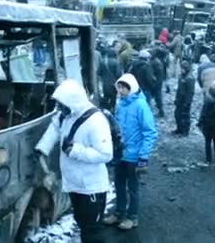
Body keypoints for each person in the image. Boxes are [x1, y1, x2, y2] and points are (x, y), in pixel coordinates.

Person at [35, 79, 113, 243]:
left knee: (92, 231)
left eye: (62, 104)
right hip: (74, 183)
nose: (59, 108)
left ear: (73, 102)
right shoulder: (65, 115)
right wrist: (43, 147)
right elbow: (54, 129)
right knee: (82, 223)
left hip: (91, 187)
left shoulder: (96, 121)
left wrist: (76, 151)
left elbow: (106, 154)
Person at [104, 74, 157, 231]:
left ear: (131, 87)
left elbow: (150, 132)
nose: (120, 90)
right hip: (120, 153)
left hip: (134, 156)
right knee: (119, 184)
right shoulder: (120, 104)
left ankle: (132, 217)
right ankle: (119, 212)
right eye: (118, 87)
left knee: (132, 187)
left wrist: (143, 157)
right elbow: (117, 128)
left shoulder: (141, 105)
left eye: (123, 87)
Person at [198, 80, 215, 165]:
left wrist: (200, 121)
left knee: (208, 141)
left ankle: (208, 159)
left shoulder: (208, 99)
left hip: (208, 123)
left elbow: (204, 112)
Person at [173, 60, 196, 137]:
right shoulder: (181, 76)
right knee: (177, 114)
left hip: (185, 100)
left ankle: (185, 131)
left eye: (184, 68)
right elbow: (179, 89)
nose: (182, 69)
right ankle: (179, 129)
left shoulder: (190, 78)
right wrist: (176, 99)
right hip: (179, 99)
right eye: (181, 68)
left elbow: (191, 92)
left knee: (185, 117)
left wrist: (188, 102)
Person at [150, 48, 167, 117]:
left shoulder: (154, 62)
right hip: (159, 81)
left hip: (156, 82)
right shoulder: (158, 61)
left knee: (157, 97)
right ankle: (160, 111)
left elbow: (152, 73)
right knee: (158, 96)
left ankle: (161, 111)